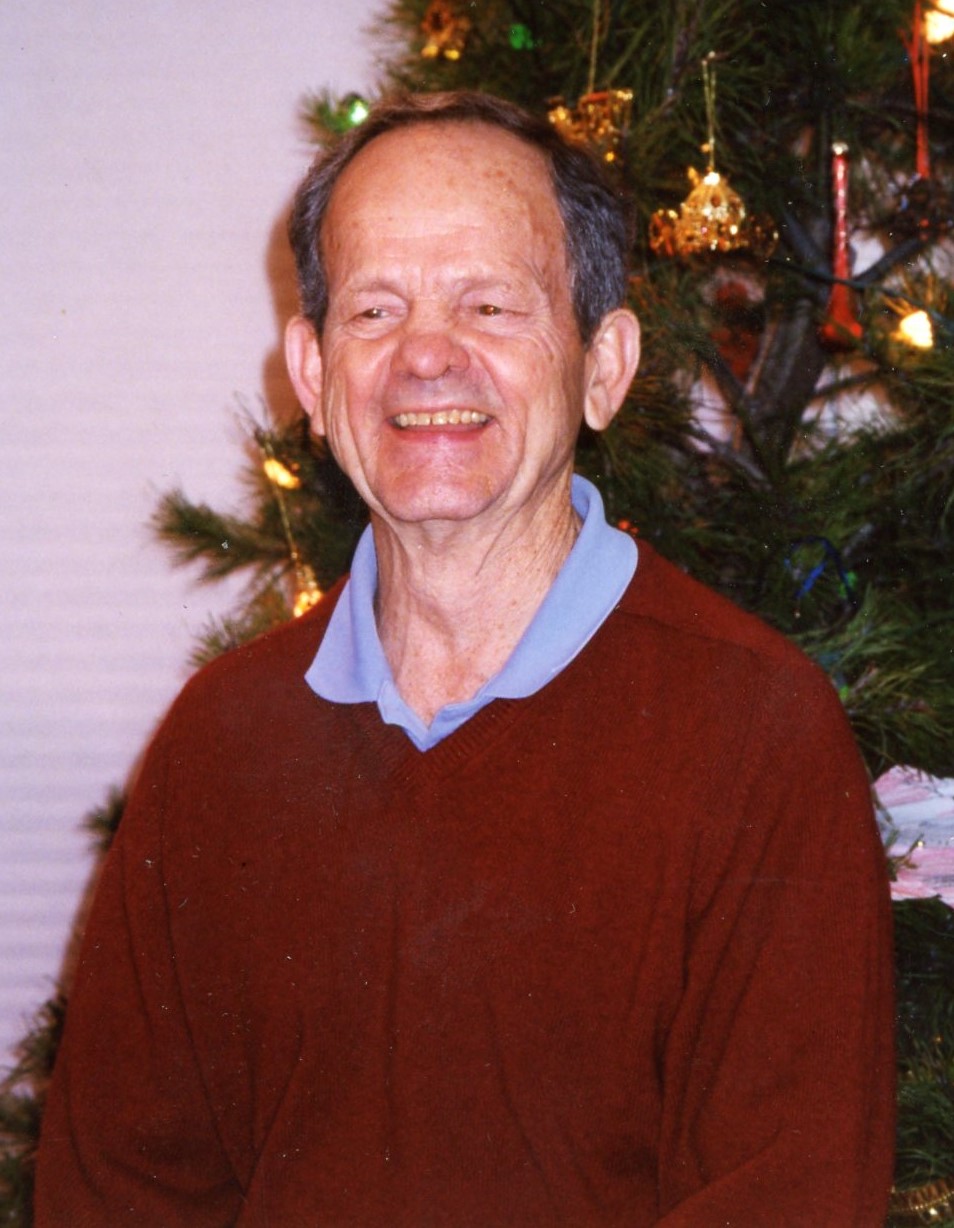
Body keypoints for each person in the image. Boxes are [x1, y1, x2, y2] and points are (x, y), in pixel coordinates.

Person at [35, 91, 895, 1226]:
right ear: (313, 373)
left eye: (490, 305)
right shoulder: (219, 738)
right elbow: (118, 1191)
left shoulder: (758, 733)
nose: (427, 356)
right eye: (375, 310)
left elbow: (786, 1197)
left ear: (604, 366)